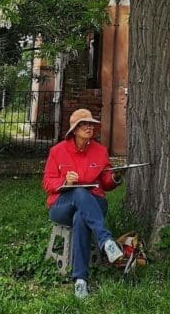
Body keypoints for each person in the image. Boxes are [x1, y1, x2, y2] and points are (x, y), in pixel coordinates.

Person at [42, 108, 125, 299]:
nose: (89, 127)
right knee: (79, 191)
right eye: (84, 124)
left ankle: (80, 280)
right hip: (62, 205)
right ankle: (106, 241)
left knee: (81, 218)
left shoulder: (100, 151)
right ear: (74, 129)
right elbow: (47, 183)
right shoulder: (57, 151)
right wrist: (65, 182)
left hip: (94, 202)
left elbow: (105, 182)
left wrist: (115, 177)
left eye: (91, 124)